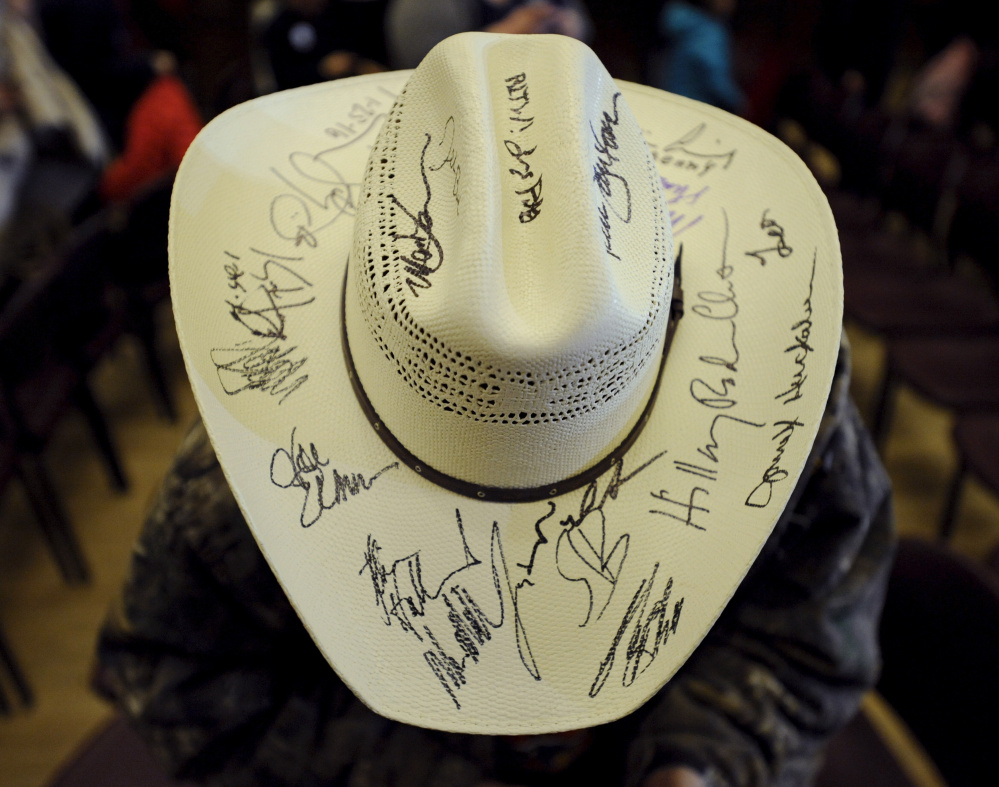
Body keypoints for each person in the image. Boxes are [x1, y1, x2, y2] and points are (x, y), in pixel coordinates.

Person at [95, 32, 894, 787]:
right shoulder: (241, 477)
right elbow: (171, 676)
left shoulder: (792, 421)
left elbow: (812, 631)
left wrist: (698, 761)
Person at [385, 0, 591, 68]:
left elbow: (583, 29)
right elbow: (420, 66)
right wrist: (507, 31)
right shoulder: (427, 6)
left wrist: (567, 26)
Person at [263, 0, 389, 90]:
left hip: (359, 84)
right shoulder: (278, 28)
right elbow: (283, 76)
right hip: (310, 94)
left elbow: (370, 49)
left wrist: (359, 63)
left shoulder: (347, 12)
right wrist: (321, 69)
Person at [652, 0, 743, 112]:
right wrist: (737, 102)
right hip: (696, 106)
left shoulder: (686, 23)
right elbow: (713, 75)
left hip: (670, 97)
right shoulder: (711, 32)